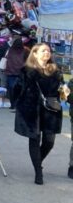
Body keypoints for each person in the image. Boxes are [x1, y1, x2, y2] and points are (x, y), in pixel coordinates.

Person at [13, 43, 66, 185]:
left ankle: (38, 161)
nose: (46, 53)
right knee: (35, 139)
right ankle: (38, 172)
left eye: (48, 51)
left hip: (50, 109)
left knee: (49, 142)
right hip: (31, 109)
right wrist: (17, 103)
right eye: (43, 51)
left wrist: (64, 91)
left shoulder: (55, 70)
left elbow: (62, 88)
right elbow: (17, 88)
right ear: (35, 54)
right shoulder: (26, 70)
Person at [3, 38, 28, 110]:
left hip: (10, 72)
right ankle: (18, 104)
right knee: (21, 89)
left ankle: (13, 104)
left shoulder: (10, 50)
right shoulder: (25, 50)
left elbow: (5, 58)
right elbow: (28, 60)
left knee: (11, 89)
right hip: (21, 72)